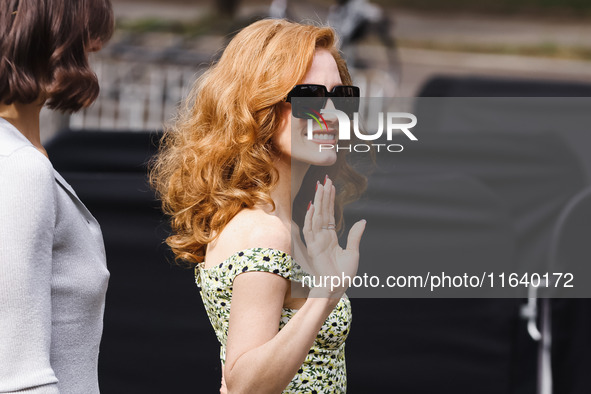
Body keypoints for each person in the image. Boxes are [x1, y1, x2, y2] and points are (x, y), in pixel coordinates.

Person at [151, 19, 367, 393]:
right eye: (311, 97)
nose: (331, 114)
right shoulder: (265, 231)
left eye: (341, 96)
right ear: (259, 105)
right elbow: (244, 384)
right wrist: (325, 295)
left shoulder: (281, 221)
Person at [0, 1, 114, 392]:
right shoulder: (16, 165)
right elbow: (18, 376)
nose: (96, 47)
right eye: (86, 37)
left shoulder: (21, 156)